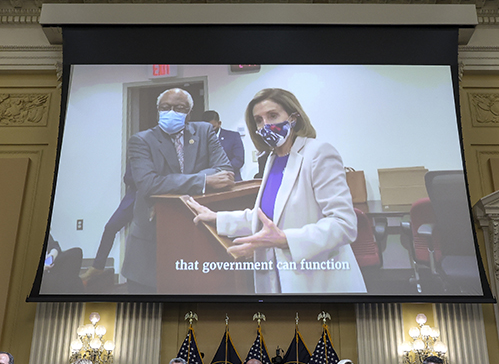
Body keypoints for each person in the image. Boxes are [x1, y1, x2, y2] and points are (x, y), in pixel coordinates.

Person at [188, 88, 366, 293]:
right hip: (279, 279)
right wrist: (217, 218)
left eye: (272, 116)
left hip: (319, 280)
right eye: (259, 120)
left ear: (293, 118)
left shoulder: (318, 153)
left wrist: (285, 239)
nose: (266, 125)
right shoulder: (272, 159)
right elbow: (266, 218)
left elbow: (344, 224)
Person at [122, 88, 234, 293]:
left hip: (194, 234)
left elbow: (225, 171)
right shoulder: (141, 140)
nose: (171, 112)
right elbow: (148, 183)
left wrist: (167, 182)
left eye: (179, 108)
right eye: (165, 108)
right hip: (151, 240)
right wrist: (204, 179)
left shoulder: (204, 131)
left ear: (189, 112)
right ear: (158, 110)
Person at [79, 166, 136, 287]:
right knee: (110, 227)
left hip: (152, 199)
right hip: (133, 197)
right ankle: (98, 266)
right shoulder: (139, 150)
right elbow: (127, 177)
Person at [202, 110, 245, 181]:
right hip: (209, 181)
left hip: (231, 179)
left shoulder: (233, 136)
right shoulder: (200, 139)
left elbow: (239, 159)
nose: (209, 130)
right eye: (206, 128)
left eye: (213, 127)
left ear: (219, 123)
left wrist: (220, 172)